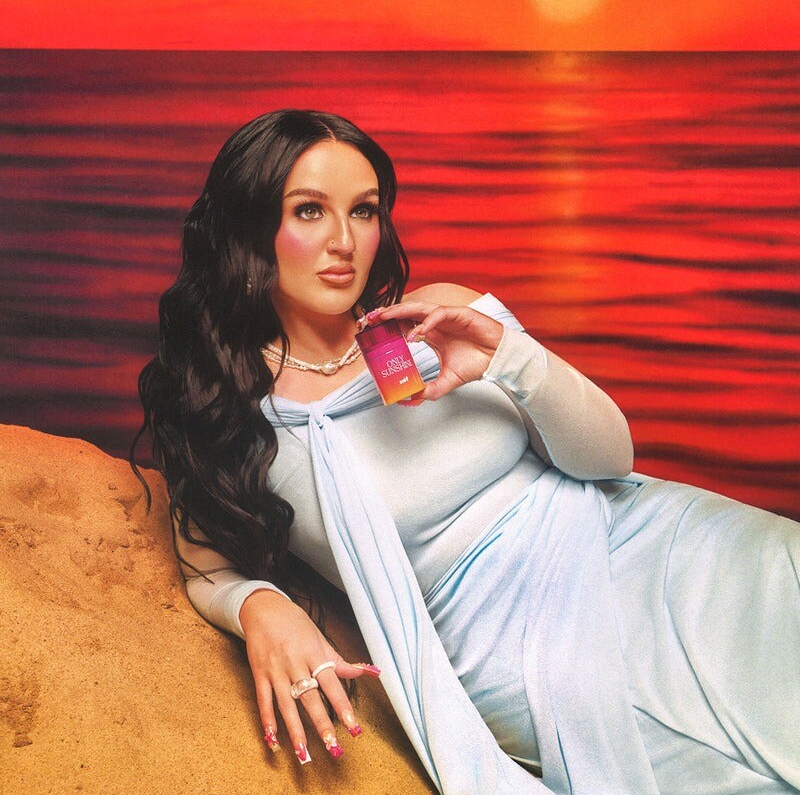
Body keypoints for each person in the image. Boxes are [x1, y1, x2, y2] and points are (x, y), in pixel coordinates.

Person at [133, 109, 800, 794]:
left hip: (645, 542)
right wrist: (260, 607)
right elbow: (207, 567)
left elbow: (610, 459)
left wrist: (510, 358)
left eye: (363, 211)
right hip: (514, 647)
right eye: (309, 211)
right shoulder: (227, 411)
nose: (344, 241)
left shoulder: (438, 317)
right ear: (248, 227)